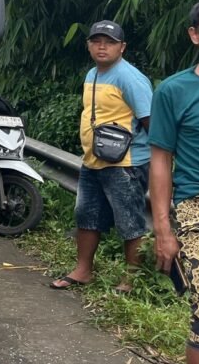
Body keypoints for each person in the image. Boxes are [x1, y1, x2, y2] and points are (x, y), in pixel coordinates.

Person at [50, 19, 152, 293]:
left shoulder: (130, 78)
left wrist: (158, 160)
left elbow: (150, 121)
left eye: (110, 42)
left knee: (129, 221)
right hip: (93, 159)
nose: (102, 47)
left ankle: (132, 280)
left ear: (122, 47)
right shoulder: (92, 74)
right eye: (96, 41)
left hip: (125, 163)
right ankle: (83, 271)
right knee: (87, 215)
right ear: (88, 45)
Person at [150, 0, 199, 364]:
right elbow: (161, 160)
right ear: (195, 35)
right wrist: (163, 229)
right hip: (195, 208)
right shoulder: (174, 91)